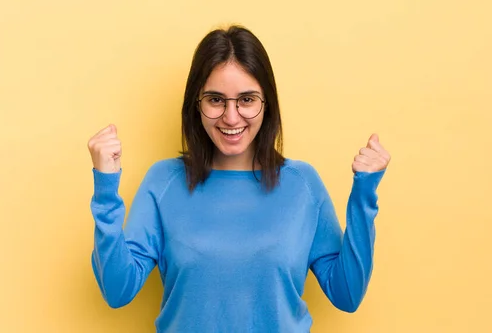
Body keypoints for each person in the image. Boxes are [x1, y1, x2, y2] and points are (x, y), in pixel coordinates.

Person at [87, 25, 390, 332]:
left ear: (266, 103)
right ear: (197, 104)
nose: (231, 118)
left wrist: (364, 194)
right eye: (216, 100)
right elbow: (117, 290)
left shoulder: (303, 185)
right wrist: (106, 189)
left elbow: (347, 294)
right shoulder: (163, 182)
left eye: (246, 100)